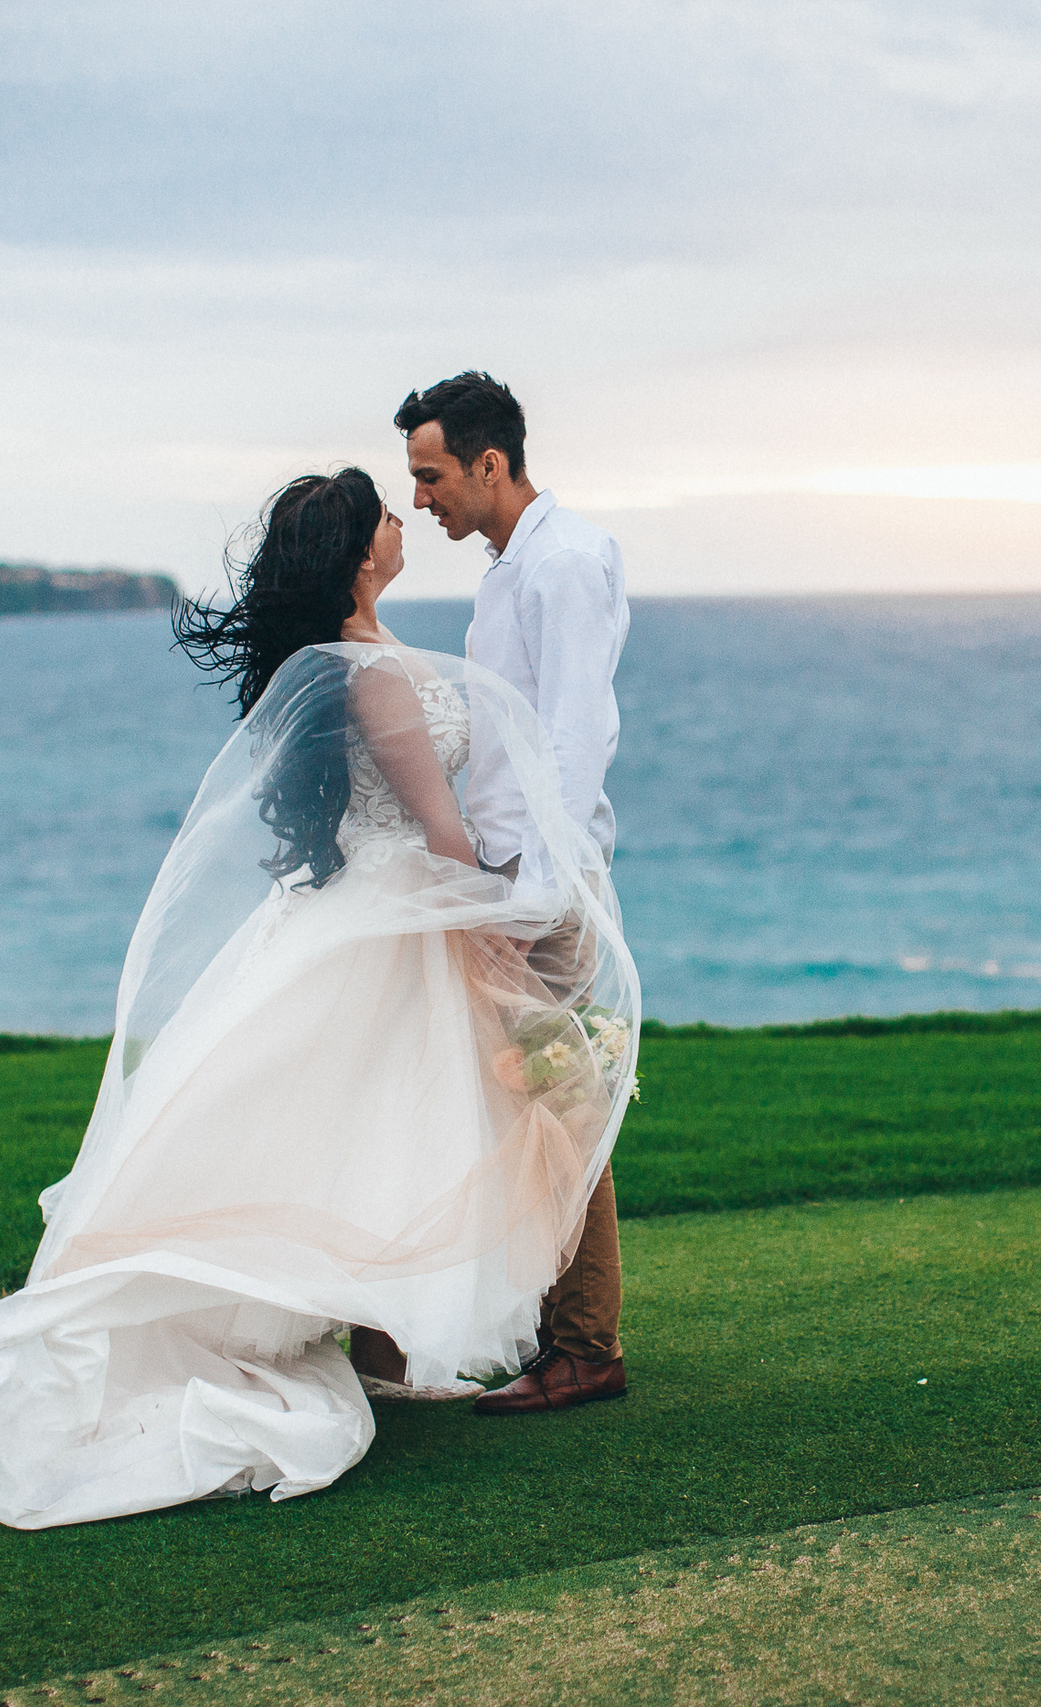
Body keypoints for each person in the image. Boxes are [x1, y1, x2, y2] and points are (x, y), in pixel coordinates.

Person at [0, 467, 640, 1529]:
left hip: (374, 904)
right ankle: (417, 1344)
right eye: (386, 514)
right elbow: (436, 825)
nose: (404, 518)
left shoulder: (362, 651)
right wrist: (501, 924)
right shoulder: (372, 670)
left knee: (375, 1124)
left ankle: (389, 1346)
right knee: (395, 1119)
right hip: (402, 908)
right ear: (360, 553)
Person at [390, 372, 634, 1416]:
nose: (420, 500)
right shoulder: (511, 569)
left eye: (432, 476)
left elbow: (575, 738)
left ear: (490, 463)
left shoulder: (564, 562)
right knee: (527, 1101)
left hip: (544, 882)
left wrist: (535, 896)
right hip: (509, 876)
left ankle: (584, 1349)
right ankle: (556, 1333)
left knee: (560, 1104)